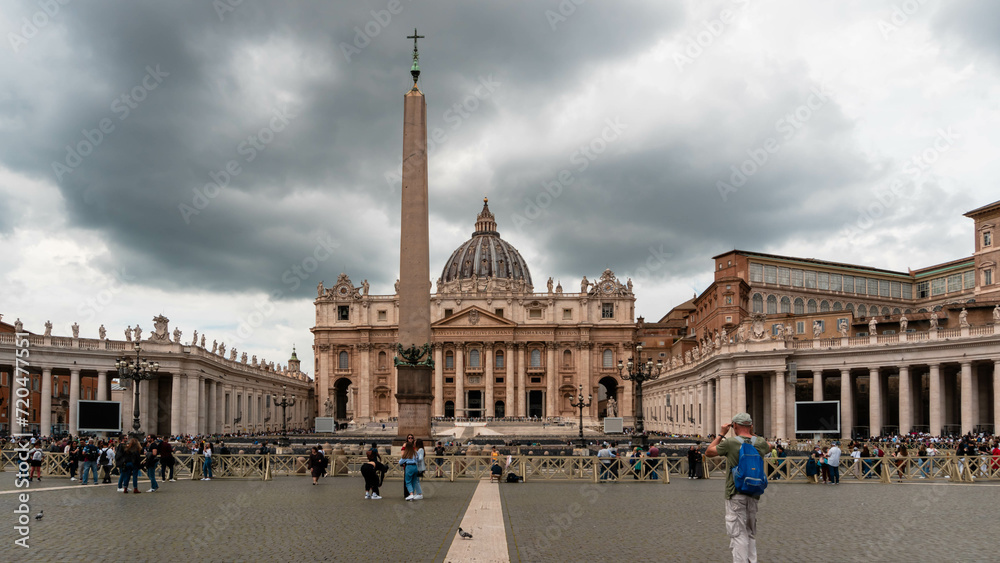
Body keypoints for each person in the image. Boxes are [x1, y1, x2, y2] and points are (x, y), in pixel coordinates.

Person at [704, 413, 771, 563]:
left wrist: (721, 434)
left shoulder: (731, 443)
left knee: (738, 534)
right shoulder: (760, 442)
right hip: (754, 492)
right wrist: (752, 434)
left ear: (735, 426)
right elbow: (769, 447)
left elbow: (708, 452)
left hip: (735, 492)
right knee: (750, 532)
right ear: (750, 426)